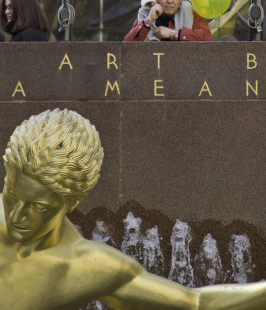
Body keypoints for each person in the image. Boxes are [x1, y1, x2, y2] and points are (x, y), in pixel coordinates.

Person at [1, 107, 266, 310]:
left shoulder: (92, 268)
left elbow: (195, 302)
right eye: (11, 195)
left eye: (38, 207)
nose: (16, 215)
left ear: (72, 202)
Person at [124, 0, 212, 42]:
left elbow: (206, 37)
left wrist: (173, 33)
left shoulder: (188, 11)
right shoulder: (147, 13)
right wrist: (149, 20)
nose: (170, 0)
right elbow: (127, 44)